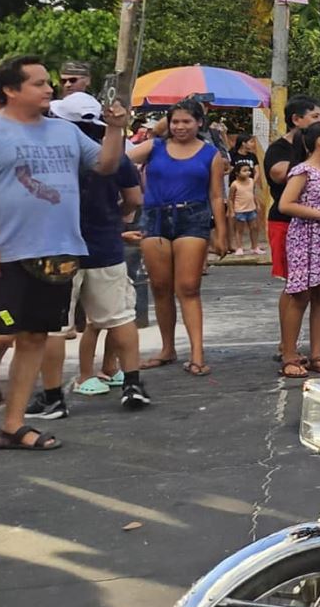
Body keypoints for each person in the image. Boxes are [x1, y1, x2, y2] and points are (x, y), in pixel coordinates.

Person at [0, 56, 130, 462]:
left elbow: (106, 164)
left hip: (58, 253)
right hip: (3, 255)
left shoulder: (64, 132)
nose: (51, 89)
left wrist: (116, 128)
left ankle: (13, 424)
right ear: (10, 90)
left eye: (49, 83)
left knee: (34, 338)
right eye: (40, 83)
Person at [50, 93, 151, 409]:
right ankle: (132, 382)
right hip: (105, 244)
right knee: (120, 317)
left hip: (59, 246)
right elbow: (134, 199)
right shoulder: (115, 156)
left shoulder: (56, 154)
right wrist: (117, 217)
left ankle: (53, 395)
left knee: (55, 326)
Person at [128, 100, 228, 376]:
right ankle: (167, 348)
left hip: (192, 218)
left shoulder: (210, 154)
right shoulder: (155, 147)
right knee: (159, 287)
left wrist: (221, 232)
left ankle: (197, 354)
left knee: (188, 287)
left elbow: (217, 195)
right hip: (154, 218)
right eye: (175, 121)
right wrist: (155, 130)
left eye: (187, 121)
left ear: (199, 123)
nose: (180, 126)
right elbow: (121, 160)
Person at [278, 121, 320, 379]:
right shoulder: (303, 170)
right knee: (300, 296)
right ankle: (289, 355)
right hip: (306, 239)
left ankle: (316, 353)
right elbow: (286, 204)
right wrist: (318, 215)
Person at [266, 96, 320, 358]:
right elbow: (278, 173)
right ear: (296, 120)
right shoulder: (279, 148)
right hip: (286, 224)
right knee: (295, 285)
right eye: (314, 117)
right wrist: (312, 161)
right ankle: (286, 345)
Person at [227, 163, 262, 252]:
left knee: (254, 228)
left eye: (249, 170)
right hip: (240, 210)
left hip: (251, 209)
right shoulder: (234, 185)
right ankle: (239, 247)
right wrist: (231, 211)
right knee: (239, 230)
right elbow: (230, 199)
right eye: (244, 171)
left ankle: (254, 247)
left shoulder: (251, 181)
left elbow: (253, 194)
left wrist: (257, 204)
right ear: (237, 173)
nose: (248, 173)